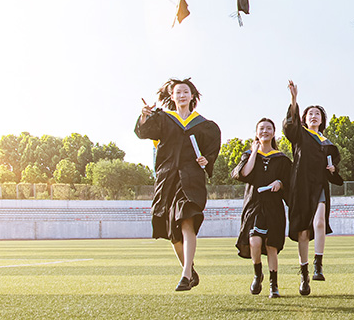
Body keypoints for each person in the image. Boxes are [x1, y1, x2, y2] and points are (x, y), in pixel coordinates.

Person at [135, 77, 221, 291]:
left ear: (193, 96)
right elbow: (142, 132)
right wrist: (144, 116)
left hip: (191, 179)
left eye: (186, 92)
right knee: (173, 232)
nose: (182, 95)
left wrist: (206, 160)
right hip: (167, 179)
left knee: (186, 221)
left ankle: (184, 276)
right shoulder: (163, 120)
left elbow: (211, 151)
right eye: (178, 92)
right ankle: (189, 269)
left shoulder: (205, 125)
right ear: (171, 96)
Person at [283, 80, 342, 295]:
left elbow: (335, 170)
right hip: (300, 187)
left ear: (322, 120)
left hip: (319, 186)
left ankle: (318, 264)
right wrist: (294, 99)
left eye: (318, 114)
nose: (314, 116)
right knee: (303, 232)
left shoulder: (328, 144)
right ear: (304, 119)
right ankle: (304, 273)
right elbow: (289, 126)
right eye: (310, 114)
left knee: (319, 221)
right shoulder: (300, 136)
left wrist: (333, 169)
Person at [232, 118, 292, 298]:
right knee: (254, 242)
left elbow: (290, 184)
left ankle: (274, 285)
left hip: (273, 207)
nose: (265, 131)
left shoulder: (282, 159)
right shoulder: (249, 155)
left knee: (271, 245)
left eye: (268, 128)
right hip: (254, 205)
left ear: (273, 133)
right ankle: (258, 274)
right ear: (256, 133)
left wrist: (280, 183)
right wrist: (253, 152)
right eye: (261, 129)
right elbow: (243, 173)